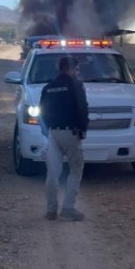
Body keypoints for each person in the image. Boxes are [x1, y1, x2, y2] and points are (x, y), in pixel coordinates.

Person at [39, 56, 89, 222]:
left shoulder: (48, 87)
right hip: (71, 134)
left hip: (53, 133)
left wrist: (48, 129)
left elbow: (42, 112)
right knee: (76, 170)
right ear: (70, 69)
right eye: (77, 69)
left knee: (52, 173)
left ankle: (51, 210)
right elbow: (82, 109)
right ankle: (68, 208)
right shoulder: (76, 85)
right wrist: (83, 128)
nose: (78, 72)